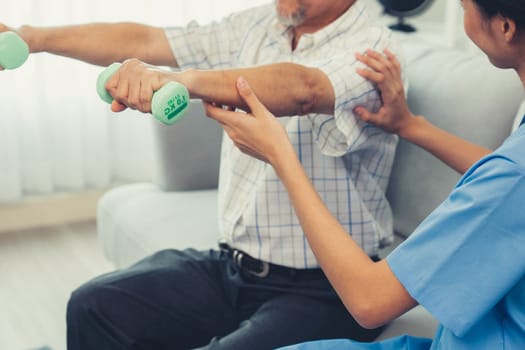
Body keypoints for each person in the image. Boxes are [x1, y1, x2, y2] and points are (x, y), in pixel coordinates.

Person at [1, 1, 404, 349]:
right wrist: (31, 37)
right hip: (235, 268)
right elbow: (146, 42)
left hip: (328, 290)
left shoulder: (376, 50)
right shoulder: (259, 24)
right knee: (93, 304)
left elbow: (304, 89)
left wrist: (180, 81)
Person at [205, 0, 525, 348]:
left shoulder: (512, 178)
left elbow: (370, 301)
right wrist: (410, 125)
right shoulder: (512, 168)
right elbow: (505, 177)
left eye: (464, 6)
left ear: (505, 27)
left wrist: (281, 156)